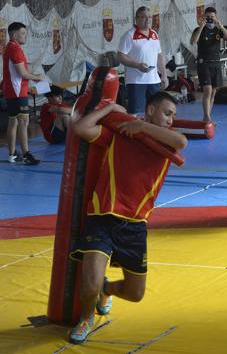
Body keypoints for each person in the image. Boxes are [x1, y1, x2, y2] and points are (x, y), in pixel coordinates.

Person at [68, 92, 187, 344]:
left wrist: (141, 125)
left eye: (174, 116)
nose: (170, 120)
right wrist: (109, 107)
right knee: (89, 283)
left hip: (134, 225)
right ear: (151, 109)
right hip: (102, 217)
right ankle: (86, 318)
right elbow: (81, 127)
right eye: (167, 113)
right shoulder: (119, 136)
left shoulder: (165, 144)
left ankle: (107, 290)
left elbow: (182, 142)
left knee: (135, 293)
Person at [2, 22, 42, 165]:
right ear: (14, 35)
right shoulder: (15, 49)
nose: (25, 36)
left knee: (13, 121)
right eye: (23, 33)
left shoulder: (10, 47)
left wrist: (31, 76)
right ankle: (26, 154)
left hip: (12, 91)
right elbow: (22, 73)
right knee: (24, 122)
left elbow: (18, 72)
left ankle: (12, 154)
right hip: (17, 92)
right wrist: (37, 78)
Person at [117, 7, 168, 115]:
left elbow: (159, 56)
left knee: (156, 112)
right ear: (136, 19)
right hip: (136, 82)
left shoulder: (154, 34)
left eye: (149, 17)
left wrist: (164, 75)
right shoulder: (129, 35)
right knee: (134, 113)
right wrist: (137, 65)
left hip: (154, 81)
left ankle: (151, 132)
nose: (147, 19)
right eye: (143, 17)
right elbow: (120, 56)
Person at [190, 6, 227, 124]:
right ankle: (207, 117)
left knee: (213, 91)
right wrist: (201, 26)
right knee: (207, 90)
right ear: (204, 18)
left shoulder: (218, 30)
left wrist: (220, 26)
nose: (210, 19)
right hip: (204, 63)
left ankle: (207, 115)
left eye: (212, 17)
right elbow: (193, 41)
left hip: (216, 64)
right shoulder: (199, 29)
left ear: (216, 17)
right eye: (207, 17)